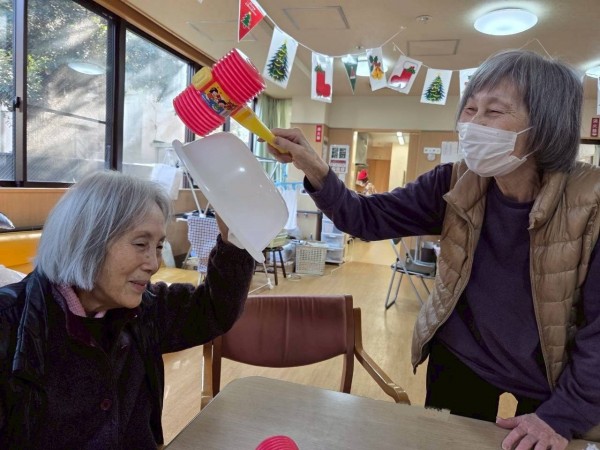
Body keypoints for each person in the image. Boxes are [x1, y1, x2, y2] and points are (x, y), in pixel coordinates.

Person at [264, 49, 600, 449]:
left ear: (544, 127)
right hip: (462, 356)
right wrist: (316, 169)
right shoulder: (455, 182)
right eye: (470, 109)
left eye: (493, 112)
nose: (473, 124)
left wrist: (563, 415)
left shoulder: (591, 204)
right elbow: (366, 218)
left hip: (554, 374)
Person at [0, 170, 255, 449]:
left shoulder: (146, 309)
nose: (153, 264)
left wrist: (234, 242)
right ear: (86, 239)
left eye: (158, 246)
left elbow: (214, 309)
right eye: (141, 244)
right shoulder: (11, 324)